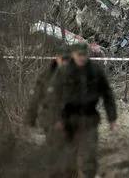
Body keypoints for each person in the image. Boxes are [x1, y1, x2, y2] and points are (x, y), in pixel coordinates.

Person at [50, 42, 117, 178]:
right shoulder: (63, 71)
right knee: (69, 156)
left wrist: (112, 116)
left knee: (89, 157)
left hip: (89, 118)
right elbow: (54, 97)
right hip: (69, 119)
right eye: (79, 55)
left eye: (84, 55)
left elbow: (107, 94)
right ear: (73, 55)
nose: (82, 58)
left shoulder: (96, 70)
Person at [25, 44, 70, 137]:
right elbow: (36, 96)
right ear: (57, 58)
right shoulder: (47, 75)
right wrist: (31, 117)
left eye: (67, 60)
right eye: (63, 59)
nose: (65, 62)